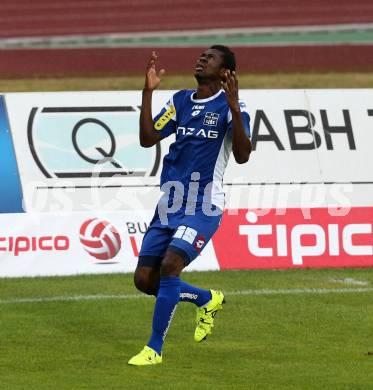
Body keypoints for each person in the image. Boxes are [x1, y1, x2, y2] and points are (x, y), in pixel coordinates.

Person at [128, 45, 252, 365]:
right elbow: (147, 137)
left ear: (225, 72)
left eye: (210, 58)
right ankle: (206, 299)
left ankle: (154, 349)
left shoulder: (230, 108)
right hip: (169, 202)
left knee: (170, 265)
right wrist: (147, 93)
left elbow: (242, 154)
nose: (201, 59)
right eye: (202, 55)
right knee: (144, 279)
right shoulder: (180, 101)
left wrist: (236, 109)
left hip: (203, 205)